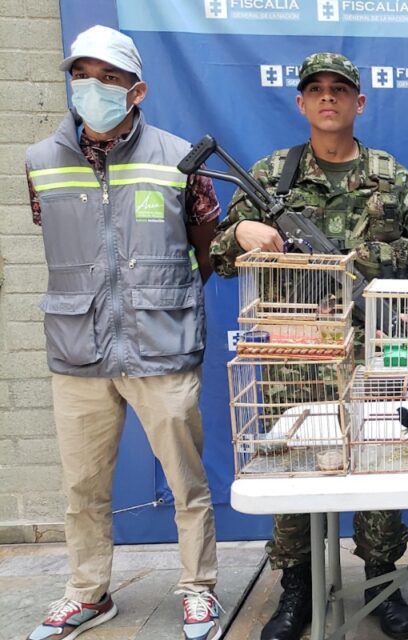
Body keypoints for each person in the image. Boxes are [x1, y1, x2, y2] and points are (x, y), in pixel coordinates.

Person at [209, 53, 408, 640]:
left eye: (340, 89)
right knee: (294, 473)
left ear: (360, 103)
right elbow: (217, 254)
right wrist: (239, 233)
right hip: (296, 356)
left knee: (379, 470)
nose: (328, 98)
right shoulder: (270, 177)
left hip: (375, 355)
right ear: (301, 103)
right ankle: (298, 588)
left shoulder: (391, 177)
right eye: (316, 89)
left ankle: (382, 579)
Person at [23, 25, 223, 640]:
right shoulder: (39, 162)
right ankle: (88, 592)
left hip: (161, 345)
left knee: (186, 483)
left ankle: (199, 590)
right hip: (79, 349)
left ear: (137, 90)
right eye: (82, 74)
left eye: (109, 77)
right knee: (81, 488)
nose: (93, 87)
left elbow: (206, 250)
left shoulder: (180, 159)